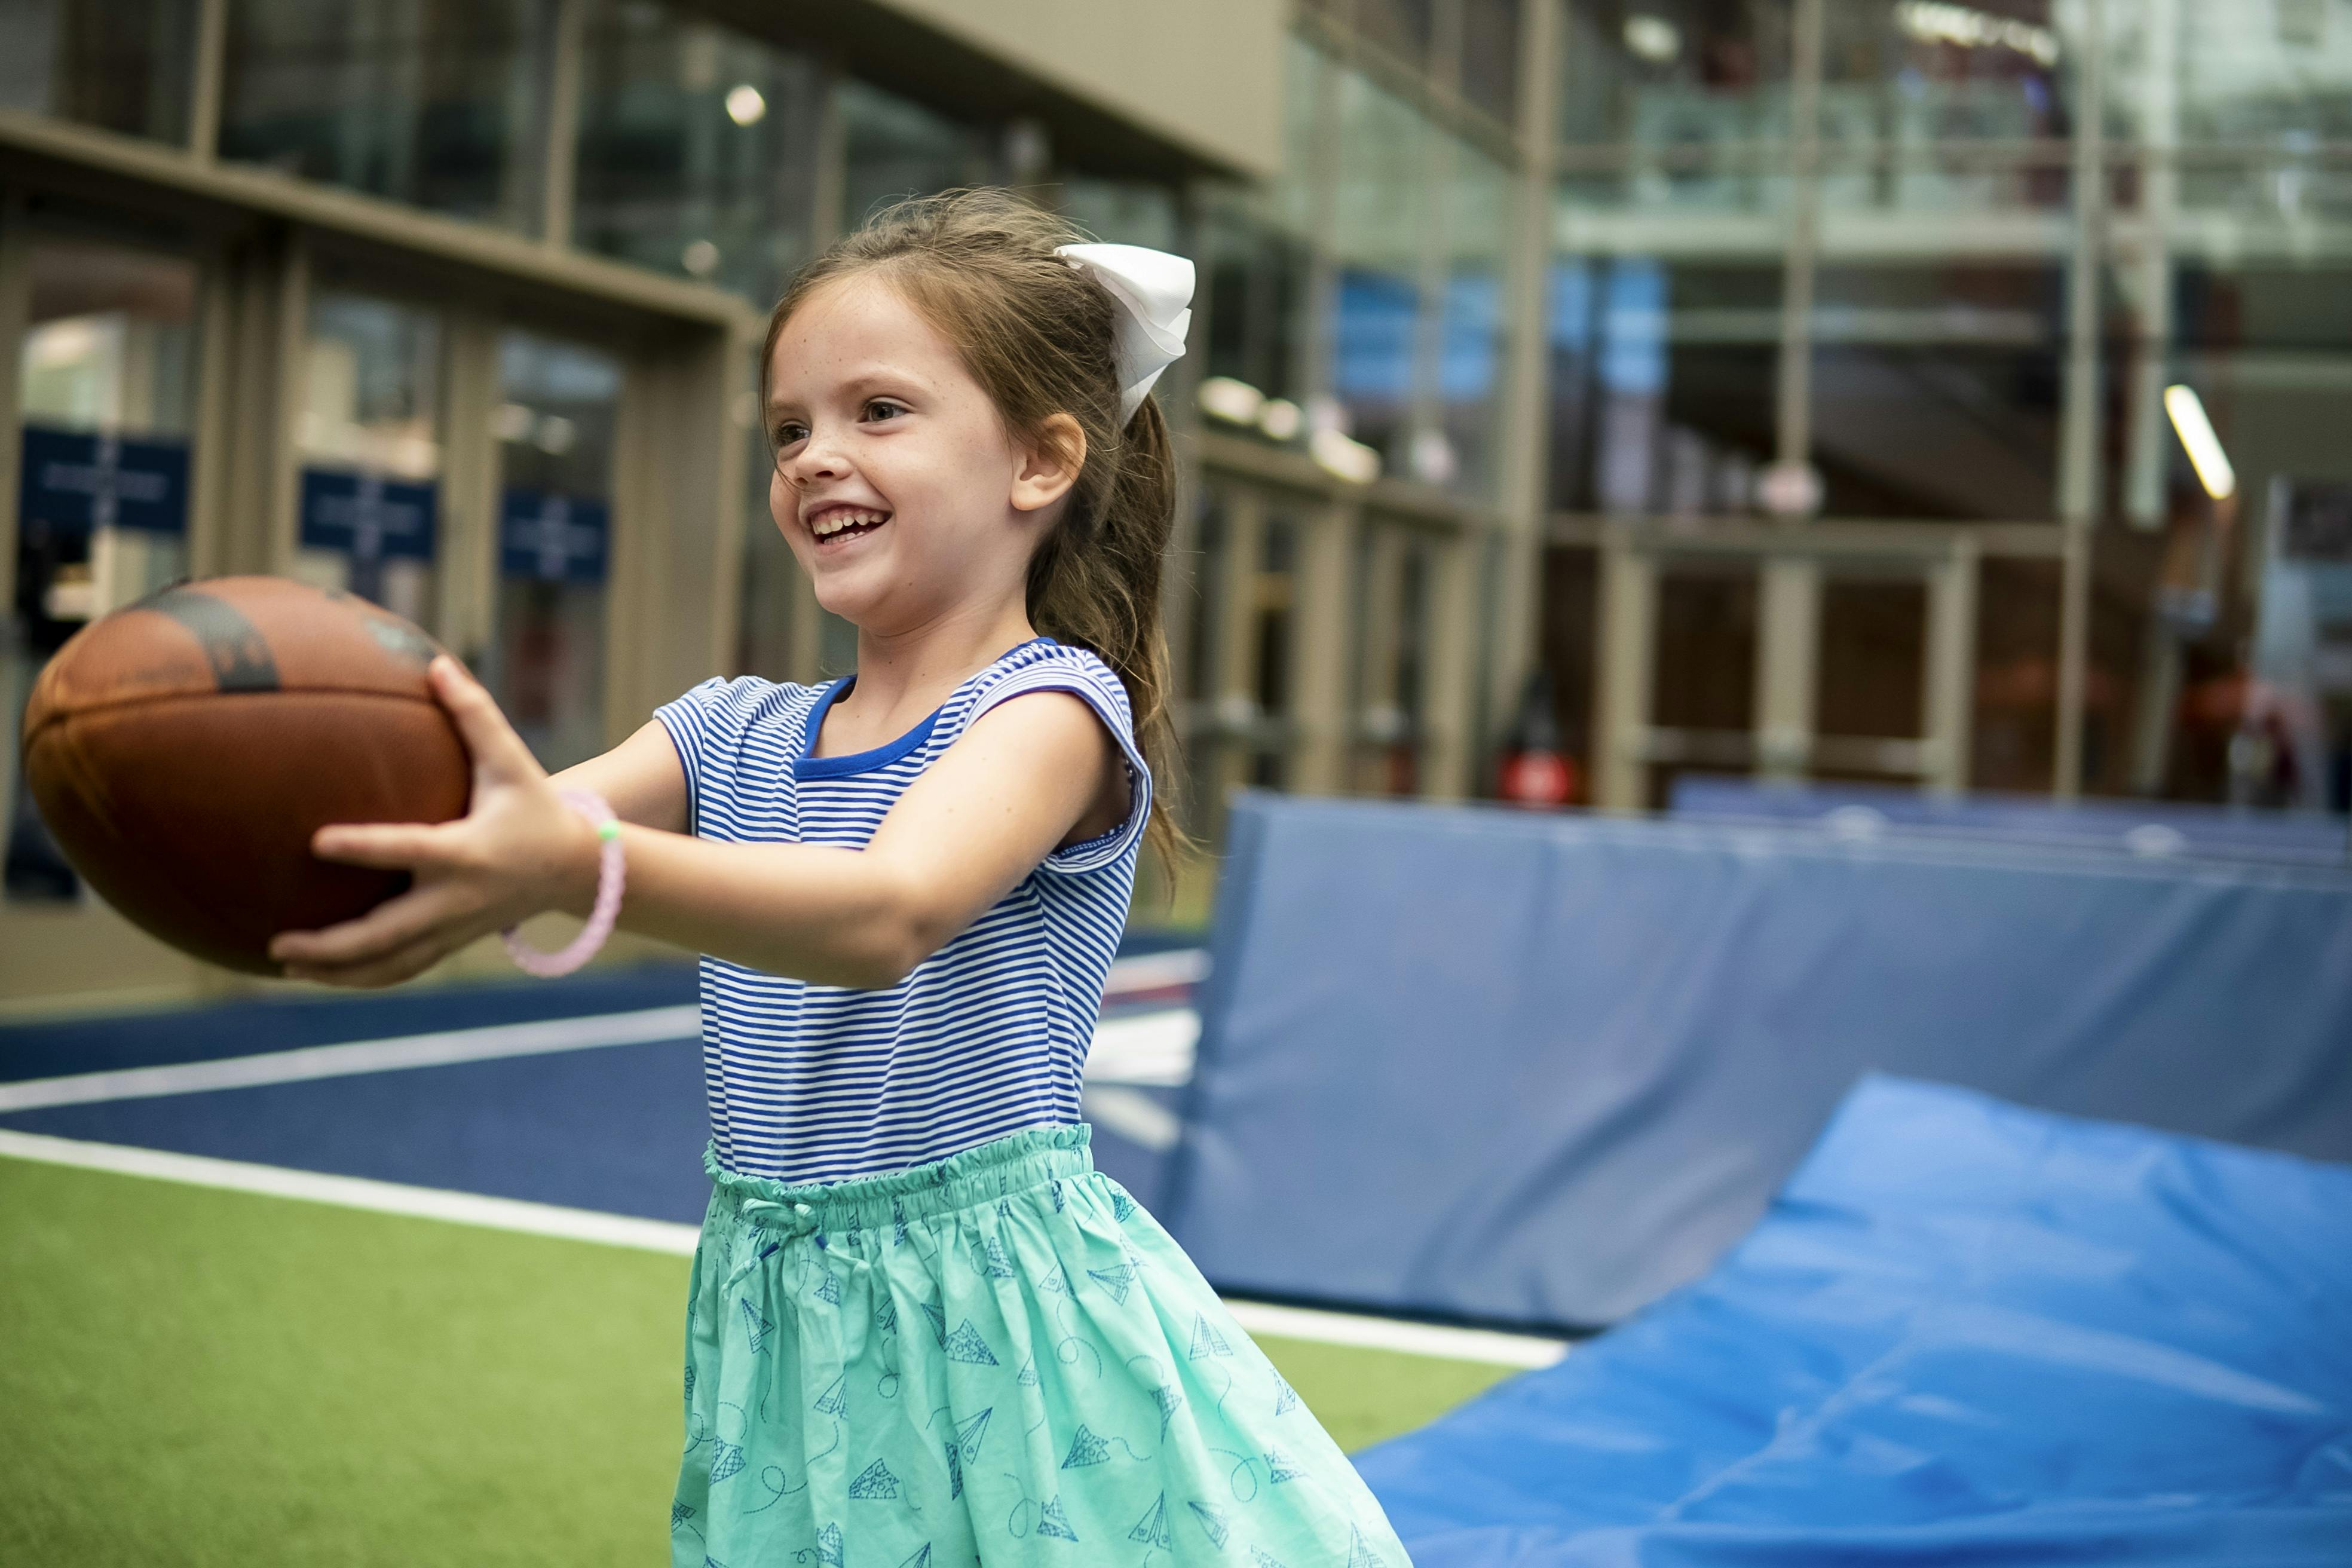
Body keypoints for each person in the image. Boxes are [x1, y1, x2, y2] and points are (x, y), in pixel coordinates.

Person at [270, 189, 1412, 1568]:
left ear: (1041, 461)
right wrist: (371, 854)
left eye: (880, 412)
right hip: (779, 1303)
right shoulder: (727, 728)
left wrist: (569, 862)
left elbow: (886, 914)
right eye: (789, 428)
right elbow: (508, 829)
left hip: (1000, 1310)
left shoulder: (1049, 710)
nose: (818, 456)